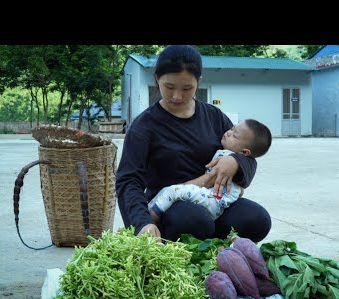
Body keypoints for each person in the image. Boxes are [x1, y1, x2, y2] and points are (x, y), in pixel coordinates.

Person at [115, 45, 272, 242]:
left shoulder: (214, 116)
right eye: (169, 87)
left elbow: (247, 153)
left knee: (257, 219)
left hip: (213, 202)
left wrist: (236, 162)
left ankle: (215, 251)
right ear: (157, 79)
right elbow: (128, 181)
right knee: (193, 221)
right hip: (171, 209)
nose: (177, 96)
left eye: (187, 88)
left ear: (198, 82)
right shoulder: (143, 126)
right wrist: (142, 222)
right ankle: (187, 242)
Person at [148, 118, 272, 223]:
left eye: (234, 135)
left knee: (172, 191)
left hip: (212, 201)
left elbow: (208, 180)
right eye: (232, 128)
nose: (229, 132)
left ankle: (151, 218)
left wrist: (183, 186)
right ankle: (151, 209)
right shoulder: (231, 154)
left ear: (244, 152)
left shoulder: (226, 157)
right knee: (168, 191)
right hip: (216, 202)